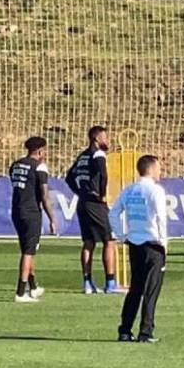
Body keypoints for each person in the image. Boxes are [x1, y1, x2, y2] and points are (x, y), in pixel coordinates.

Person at [110, 154, 168, 343]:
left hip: (134, 243)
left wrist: (121, 235)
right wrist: (163, 242)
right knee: (151, 291)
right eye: (159, 168)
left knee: (135, 289)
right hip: (152, 244)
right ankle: (146, 332)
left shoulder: (129, 190)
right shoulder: (155, 191)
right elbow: (160, 217)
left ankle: (125, 330)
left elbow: (114, 212)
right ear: (151, 169)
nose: (160, 171)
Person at [66, 125, 118, 294]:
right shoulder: (98, 154)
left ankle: (87, 283)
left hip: (83, 202)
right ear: (96, 139)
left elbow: (69, 177)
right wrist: (102, 194)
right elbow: (103, 175)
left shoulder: (82, 156)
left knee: (88, 242)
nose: (107, 141)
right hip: (95, 203)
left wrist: (80, 191)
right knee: (109, 240)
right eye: (105, 137)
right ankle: (110, 283)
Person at [8, 136, 58, 303]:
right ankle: (21, 292)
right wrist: (52, 218)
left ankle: (33, 286)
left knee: (28, 249)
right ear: (40, 151)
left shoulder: (16, 165)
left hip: (17, 210)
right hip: (31, 212)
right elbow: (44, 195)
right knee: (28, 252)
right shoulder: (40, 167)